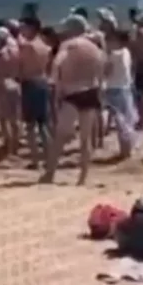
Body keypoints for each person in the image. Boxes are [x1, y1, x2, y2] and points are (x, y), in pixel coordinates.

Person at [42, 15, 106, 185]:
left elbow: (58, 64)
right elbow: (101, 70)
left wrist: (55, 84)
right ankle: (82, 178)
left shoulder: (69, 45)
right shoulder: (94, 47)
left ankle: (50, 174)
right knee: (85, 139)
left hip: (72, 93)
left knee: (60, 136)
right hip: (90, 92)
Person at [18, 17, 52, 168]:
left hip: (30, 84)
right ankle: (49, 158)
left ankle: (35, 160)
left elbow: (22, 67)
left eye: (24, 27)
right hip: (43, 82)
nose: (22, 30)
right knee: (43, 124)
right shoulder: (44, 46)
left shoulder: (28, 47)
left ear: (32, 28)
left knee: (30, 126)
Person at [104, 29, 140, 160]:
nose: (107, 43)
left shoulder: (113, 55)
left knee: (120, 122)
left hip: (114, 89)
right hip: (125, 88)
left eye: (110, 40)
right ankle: (127, 150)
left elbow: (107, 73)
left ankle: (124, 151)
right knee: (127, 120)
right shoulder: (126, 52)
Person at [0, 25, 22, 159]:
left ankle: (8, 144)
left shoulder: (0, 53)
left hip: (2, 84)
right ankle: (15, 145)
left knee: (3, 117)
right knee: (14, 118)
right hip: (14, 83)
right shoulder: (15, 49)